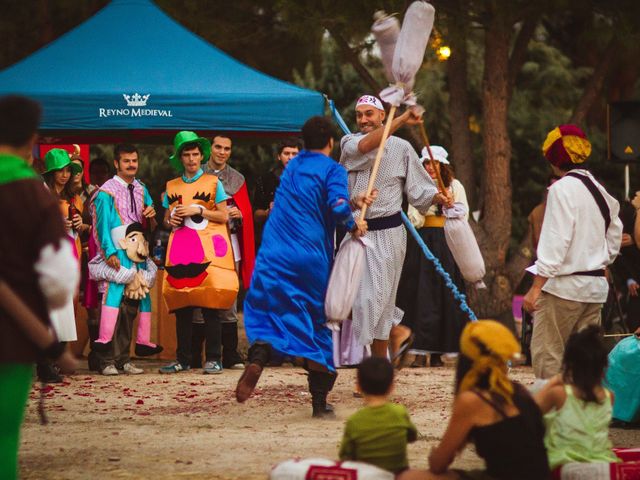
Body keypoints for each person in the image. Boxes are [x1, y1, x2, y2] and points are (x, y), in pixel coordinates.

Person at [235, 116, 370, 417]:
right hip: (308, 257)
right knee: (316, 322)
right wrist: (353, 224)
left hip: (274, 252)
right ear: (331, 143)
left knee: (278, 311)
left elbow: (313, 199)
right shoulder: (333, 169)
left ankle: (258, 357)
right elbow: (334, 207)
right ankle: (320, 403)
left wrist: (354, 200)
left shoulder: (292, 167)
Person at [0, 95, 78, 480]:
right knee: (2, 436)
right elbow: (59, 279)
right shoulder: (35, 197)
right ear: (32, 141)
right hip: (9, 340)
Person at [339, 94, 442, 359]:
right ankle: (397, 334)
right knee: (350, 300)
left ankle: (375, 368)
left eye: (369, 114)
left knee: (377, 302)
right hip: (355, 229)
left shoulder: (402, 147)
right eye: (359, 114)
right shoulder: (349, 142)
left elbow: (419, 189)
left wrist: (437, 197)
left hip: (388, 233)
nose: (363, 119)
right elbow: (366, 148)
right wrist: (403, 118)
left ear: (382, 115)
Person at [524, 125, 622, 379]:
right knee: (587, 359)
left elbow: (556, 241)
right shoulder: (601, 191)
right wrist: (599, 260)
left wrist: (536, 287)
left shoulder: (560, 190)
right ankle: (585, 412)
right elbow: (614, 238)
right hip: (595, 287)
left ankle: (552, 413)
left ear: (553, 159)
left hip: (564, 288)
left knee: (550, 354)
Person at [399, 320, 551, 480]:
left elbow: (438, 464)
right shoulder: (519, 391)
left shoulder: (473, 400)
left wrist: (434, 455)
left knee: (409, 477)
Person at [159, 131, 237, 375]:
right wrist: (170, 218)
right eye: (187, 155)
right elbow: (165, 219)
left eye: (195, 154)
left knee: (210, 305)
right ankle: (183, 359)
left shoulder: (214, 184)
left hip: (208, 252)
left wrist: (199, 210)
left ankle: (214, 358)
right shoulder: (171, 186)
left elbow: (224, 215)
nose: (192, 159)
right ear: (180, 158)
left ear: (200, 156)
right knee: (182, 307)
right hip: (181, 251)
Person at [396, 146, 469, 368]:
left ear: (442, 165)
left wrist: (449, 205)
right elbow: (413, 218)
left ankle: (439, 351)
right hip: (424, 242)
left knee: (445, 293)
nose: (430, 167)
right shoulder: (418, 186)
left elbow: (462, 215)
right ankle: (419, 350)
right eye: (426, 164)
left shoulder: (455, 186)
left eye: (434, 163)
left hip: (447, 242)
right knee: (421, 292)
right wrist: (429, 201)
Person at [91, 143, 159, 375]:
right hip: (115, 254)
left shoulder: (141, 188)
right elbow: (100, 226)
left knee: (131, 305)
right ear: (116, 163)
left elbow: (148, 221)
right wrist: (108, 252)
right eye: (127, 161)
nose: (132, 165)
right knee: (111, 306)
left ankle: (123, 358)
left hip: (136, 254)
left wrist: (151, 215)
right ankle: (106, 361)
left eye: (134, 161)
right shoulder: (106, 191)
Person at [196, 134, 254, 369]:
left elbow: (246, 215)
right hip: (201, 244)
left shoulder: (237, 178)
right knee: (201, 295)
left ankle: (230, 353)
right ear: (211, 149)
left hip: (229, 244)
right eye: (218, 147)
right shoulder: (196, 173)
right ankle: (196, 354)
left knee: (229, 295)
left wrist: (240, 215)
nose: (222, 152)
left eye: (226, 148)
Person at [534, 326, 619, 474]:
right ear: (603, 366)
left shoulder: (559, 394)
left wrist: (554, 380)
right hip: (602, 464)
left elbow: (526, 413)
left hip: (562, 465)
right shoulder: (609, 397)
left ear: (569, 363)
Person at [339, 357, 418, 474]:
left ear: (359, 387)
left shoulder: (355, 420)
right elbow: (412, 436)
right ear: (392, 387)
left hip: (366, 476)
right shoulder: (400, 413)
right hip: (396, 475)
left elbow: (345, 455)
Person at [253, 137, 301, 226]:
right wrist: (267, 212)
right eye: (286, 153)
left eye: (294, 154)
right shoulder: (265, 180)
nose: (290, 157)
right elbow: (255, 215)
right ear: (279, 156)